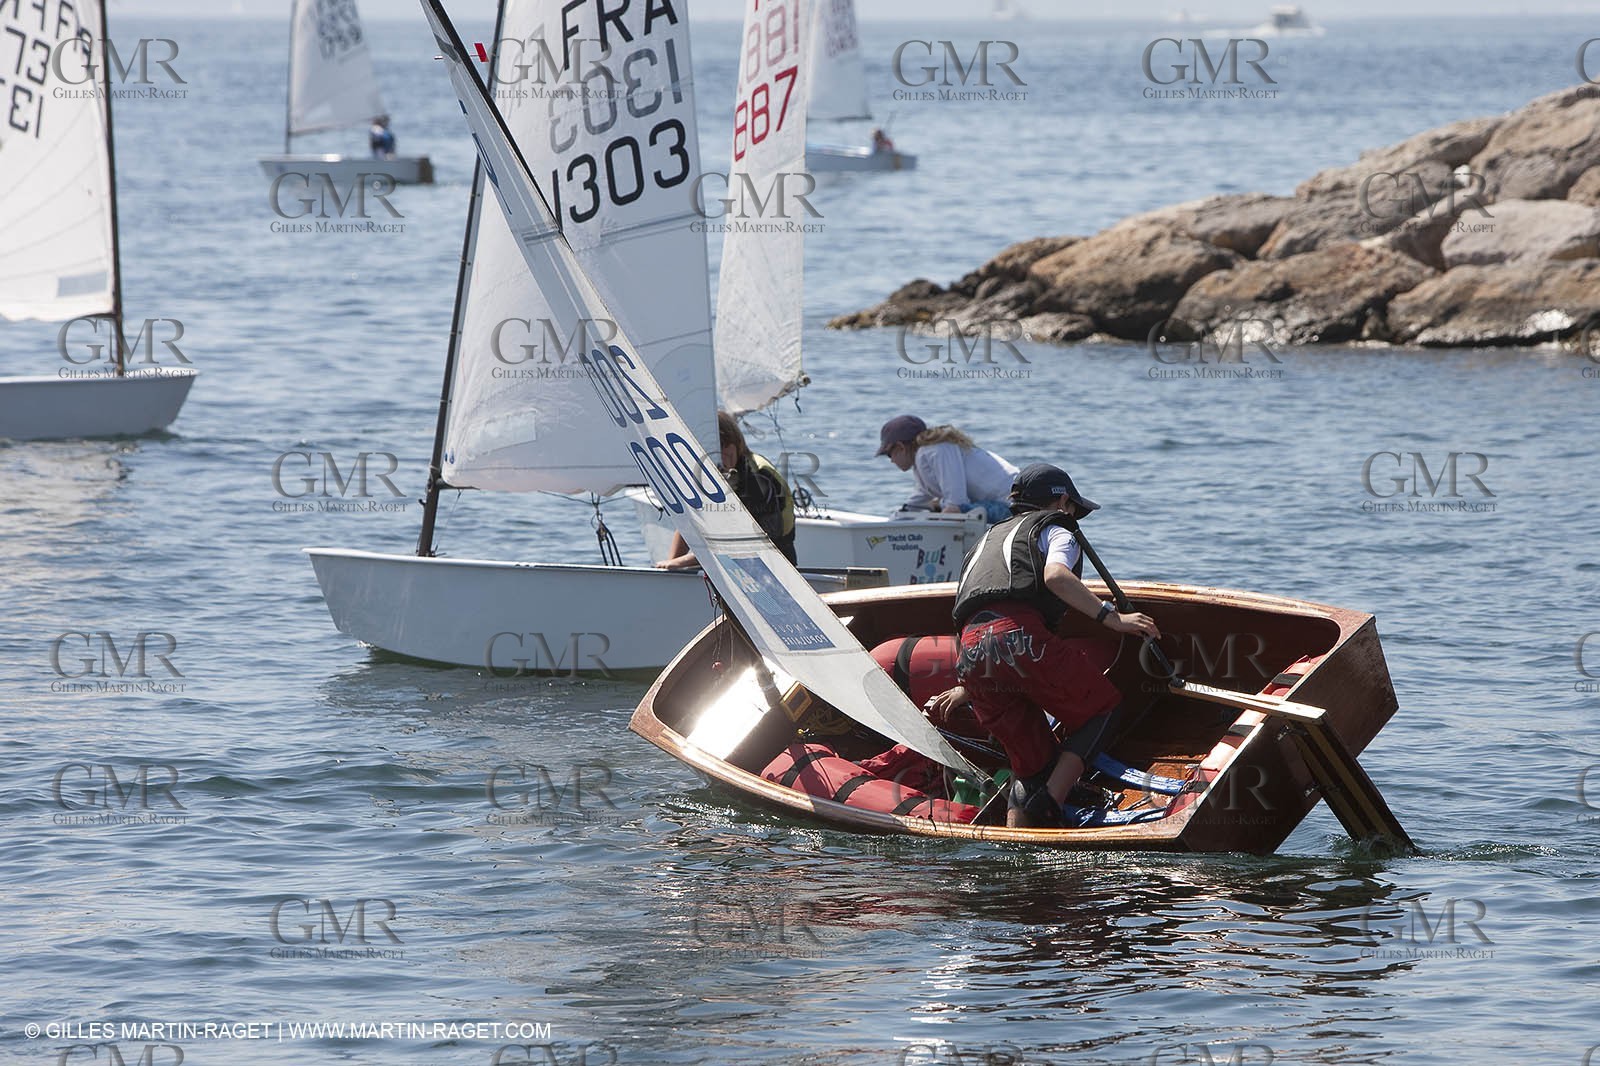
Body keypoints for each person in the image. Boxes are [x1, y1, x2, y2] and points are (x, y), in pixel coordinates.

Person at [933, 462, 1160, 828]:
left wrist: (968, 685)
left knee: (1030, 765)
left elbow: (970, 611)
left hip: (971, 652)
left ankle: (1017, 837)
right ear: (1063, 503)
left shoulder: (983, 543)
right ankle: (1051, 800)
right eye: (1074, 510)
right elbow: (1056, 576)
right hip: (1019, 637)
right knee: (1103, 708)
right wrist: (1112, 619)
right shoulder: (1057, 529)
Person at [658, 411, 796, 569]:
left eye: (724, 447)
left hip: (775, 565)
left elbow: (756, 540)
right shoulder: (705, 473)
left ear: (736, 444)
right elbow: (690, 520)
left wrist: (685, 561)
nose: (719, 457)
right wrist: (671, 566)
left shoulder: (758, 477)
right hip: (729, 562)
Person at [876, 414, 1017, 524]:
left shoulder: (934, 450)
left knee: (952, 511)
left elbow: (956, 502)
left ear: (900, 447)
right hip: (1009, 501)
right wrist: (892, 522)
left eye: (889, 454)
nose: (891, 460)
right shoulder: (923, 459)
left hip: (1015, 506)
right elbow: (915, 504)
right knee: (938, 507)